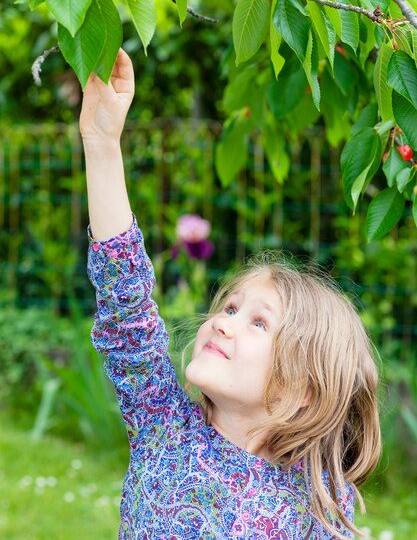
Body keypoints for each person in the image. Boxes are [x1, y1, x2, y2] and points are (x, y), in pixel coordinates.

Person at [80, 48, 381, 540]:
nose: (223, 321)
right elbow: (125, 300)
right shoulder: (163, 426)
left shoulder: (316, 514)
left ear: (303, 391)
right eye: (230, 308)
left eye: (259, 323)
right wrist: (101, 143)